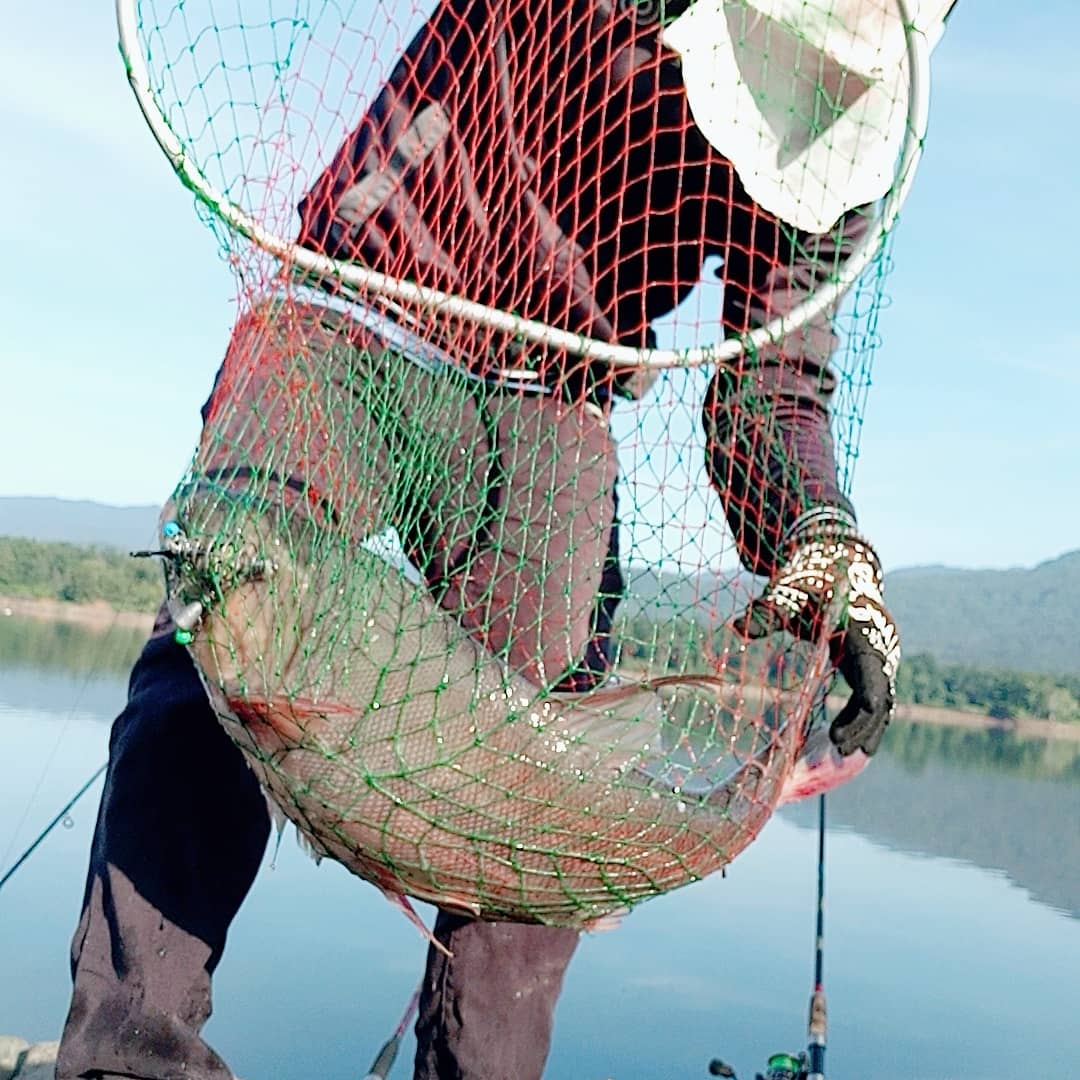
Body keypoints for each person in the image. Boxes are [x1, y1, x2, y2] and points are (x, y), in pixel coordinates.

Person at [57, 0, 952, 1076]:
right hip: (360, 301)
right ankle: (130, 1057)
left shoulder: (837, 151)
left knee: (547, 780)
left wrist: (825, 551)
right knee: (233, 612)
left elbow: (773, 392)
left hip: (554, 403)